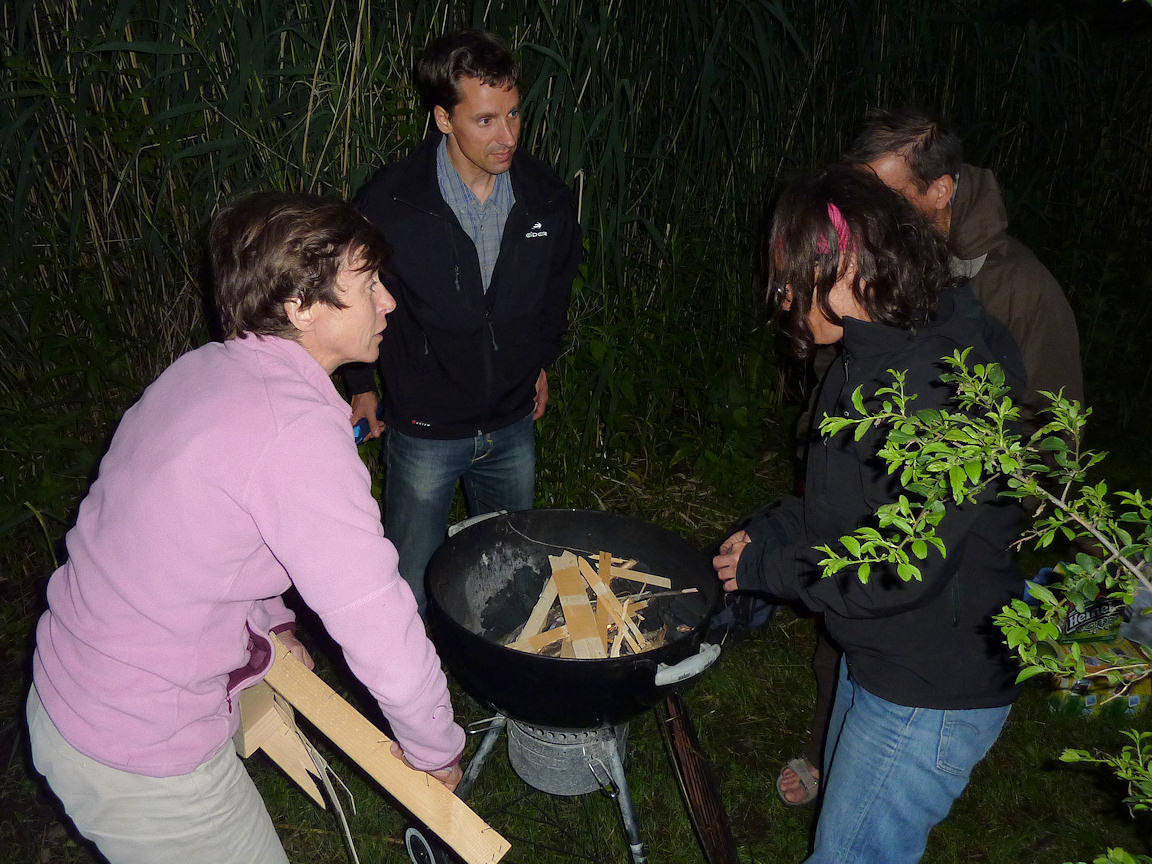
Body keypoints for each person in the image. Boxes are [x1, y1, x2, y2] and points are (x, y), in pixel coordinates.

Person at [27, 192, 465, 864]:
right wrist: (435, 749)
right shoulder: (294, 433)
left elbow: (215, 537)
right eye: (367, 285)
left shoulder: (205, 371)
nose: (389, 302)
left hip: (70, 691)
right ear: (299, 306)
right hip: (143, 747)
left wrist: (274, 624)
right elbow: (377, 619)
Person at [713, 165, 1025, 863]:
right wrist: (773, 530)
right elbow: (848, 504)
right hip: (882, 653)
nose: (786, 295)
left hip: (931, 686)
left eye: (794, 274)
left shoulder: (937, 384)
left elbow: (898, 563)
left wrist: (773, 566)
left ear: (849, 264)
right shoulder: (868, 354)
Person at [774, 109, 1085, 806]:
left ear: (938, 190)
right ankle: (842, 755)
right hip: (881, 585)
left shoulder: (1005, 297)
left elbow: (1047, 439)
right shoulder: (875, 298)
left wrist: (994, 525)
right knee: (845, 649)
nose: (857, 214)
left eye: (877, 199)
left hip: (937, 606)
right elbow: (850, 391)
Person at [344, 29, 581, 614]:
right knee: (410, 583)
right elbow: (353, 297)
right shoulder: (391, 202)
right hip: (424, 424)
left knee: (511, 569)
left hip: (511, 421)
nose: (507, 137)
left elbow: (556, 289)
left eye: (514, 115)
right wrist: (360, 385)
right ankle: (402, 697)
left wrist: (539, 357)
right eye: (485, 121)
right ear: (444, 120)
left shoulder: (545, 196)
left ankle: (500, 678)